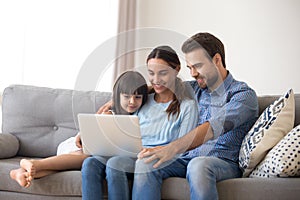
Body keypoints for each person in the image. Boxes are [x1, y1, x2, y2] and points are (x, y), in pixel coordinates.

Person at [132, 32, 259, 200]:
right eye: (189, 67)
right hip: (186, 160)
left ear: (216, 60)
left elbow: (213, 127)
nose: (192, 73)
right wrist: (115, 101)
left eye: (197, 66)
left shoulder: (243, 95)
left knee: (198, 165)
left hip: (222, 162)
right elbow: (160, 85)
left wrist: (172, 148)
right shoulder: (195, 89)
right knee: (146, 162)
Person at [81, 45, 199, 200]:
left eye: (162, 73)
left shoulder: (187, 106)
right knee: (90, 164)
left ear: (176, 69)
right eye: (151, 73)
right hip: (130, 154)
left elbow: (183, 147)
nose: (156, 80)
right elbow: (123, 124)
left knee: (115, 164)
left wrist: (152, 150)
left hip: (158, 158)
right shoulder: (143, 99)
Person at [9, 70, 148, 188]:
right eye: (127, 96)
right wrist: (82, 135)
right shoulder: (108, 113)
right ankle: (35, 163)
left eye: (137, 97)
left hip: (89, 155)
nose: (132, 101)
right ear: (117, 96)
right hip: (76, 147)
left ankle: (23, 172)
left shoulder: (138, 118)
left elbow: (152, 89)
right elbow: (90, 134)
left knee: (62, 168)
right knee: (88, 157)